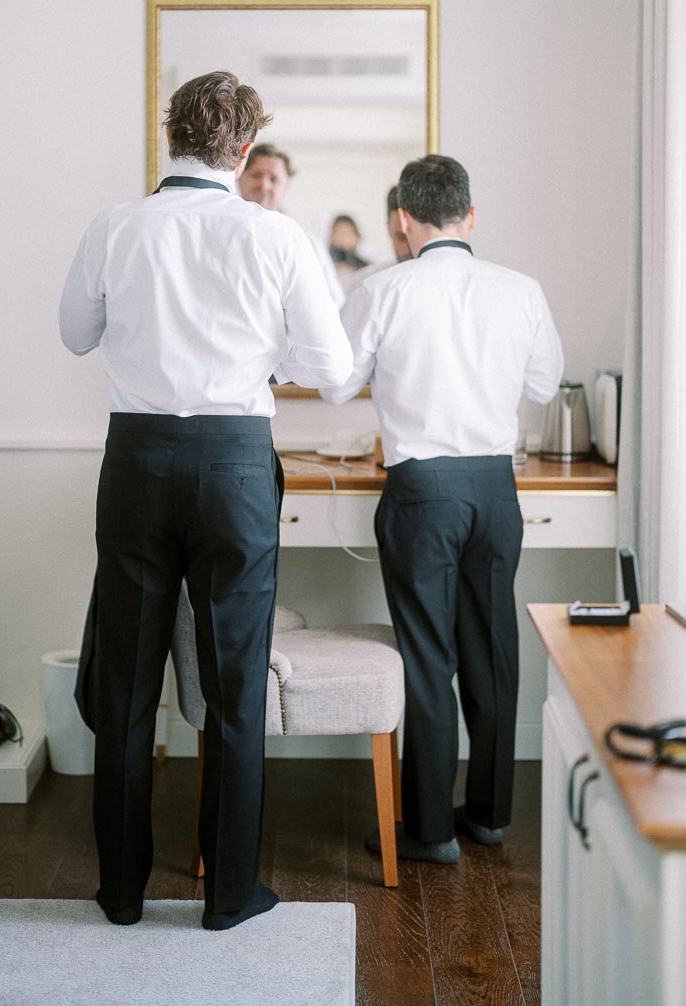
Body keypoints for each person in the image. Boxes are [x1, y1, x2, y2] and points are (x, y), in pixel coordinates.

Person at [59, 71, 352, 930]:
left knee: (125, 686)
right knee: (232, 689)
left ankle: (120, 894)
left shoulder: (114, 226)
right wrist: (267, 357)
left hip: (138, 463)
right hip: (233, 467)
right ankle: (227, 896)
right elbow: (333, 373)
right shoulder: (277, 236)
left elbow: (75, 335)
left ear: (170, 135)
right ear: (246, 149)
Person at [321, 154, 563, 862]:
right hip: (495, 487)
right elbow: (544, 387)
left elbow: (336, 386)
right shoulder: (521, 290)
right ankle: (488, 814)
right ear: (471, 215)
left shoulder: (382, 288)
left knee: (430, 659)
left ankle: (428, 829)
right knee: (492, 650)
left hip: (423, 490)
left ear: (403, 218)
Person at [238, 142, 345, 306]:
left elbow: (334, 299)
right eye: (256, 175)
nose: (264, 185)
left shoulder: (307, 242)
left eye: (274, 179)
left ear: (286, 185)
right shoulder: (221, 233)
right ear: (240, 176)